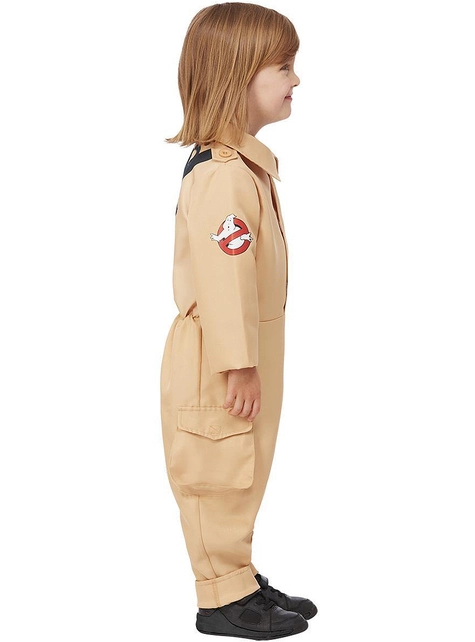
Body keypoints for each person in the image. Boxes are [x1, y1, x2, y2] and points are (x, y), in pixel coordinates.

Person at [160, 3, 317, 638]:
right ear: (237, 76)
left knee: (245, 465)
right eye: (284, 67)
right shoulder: (223, 177)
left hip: (247, 347)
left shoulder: (247, 168)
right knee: (218, 470)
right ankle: (220, 596)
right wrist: (239, 364)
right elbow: (224, 281)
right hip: (222, 355)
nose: (296, 79)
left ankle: (238, 575)